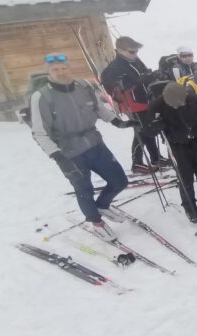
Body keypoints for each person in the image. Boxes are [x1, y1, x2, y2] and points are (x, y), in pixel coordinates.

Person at [29, 52, 134, 241]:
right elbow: (39, 132)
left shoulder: (83, 86)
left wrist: (118, 123)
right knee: (84, 189)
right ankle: (96, 222)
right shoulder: (41, 97)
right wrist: (58, 157)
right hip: (69, 151)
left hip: (94, 143)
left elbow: (99, 109)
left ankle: (102, 205)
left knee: (119, 180)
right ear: (49, 73)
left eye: (64, 68)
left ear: (70, 68)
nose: (61, 72)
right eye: (55, 70)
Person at [150, 82, 197, 221]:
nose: (177, 106)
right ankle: (190, 208)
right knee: (185, 178)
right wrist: (156, 125)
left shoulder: (195, 99)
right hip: (177, 144)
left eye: (180, 103)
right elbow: (149, 130)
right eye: (174, 104)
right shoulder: (157, 105)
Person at [100, 35, 164, 174]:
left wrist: (151, 75)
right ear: (119, 50)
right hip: (132, 103)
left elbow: (142, 76)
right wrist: (142, 79)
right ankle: (137, 163)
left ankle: (156, 158)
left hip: (144, 99)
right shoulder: (115, 67)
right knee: (141, 131)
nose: (135, 54)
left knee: (148, 129)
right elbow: (121, 86)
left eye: (136, 51)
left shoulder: (134, 61)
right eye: (131, 51)